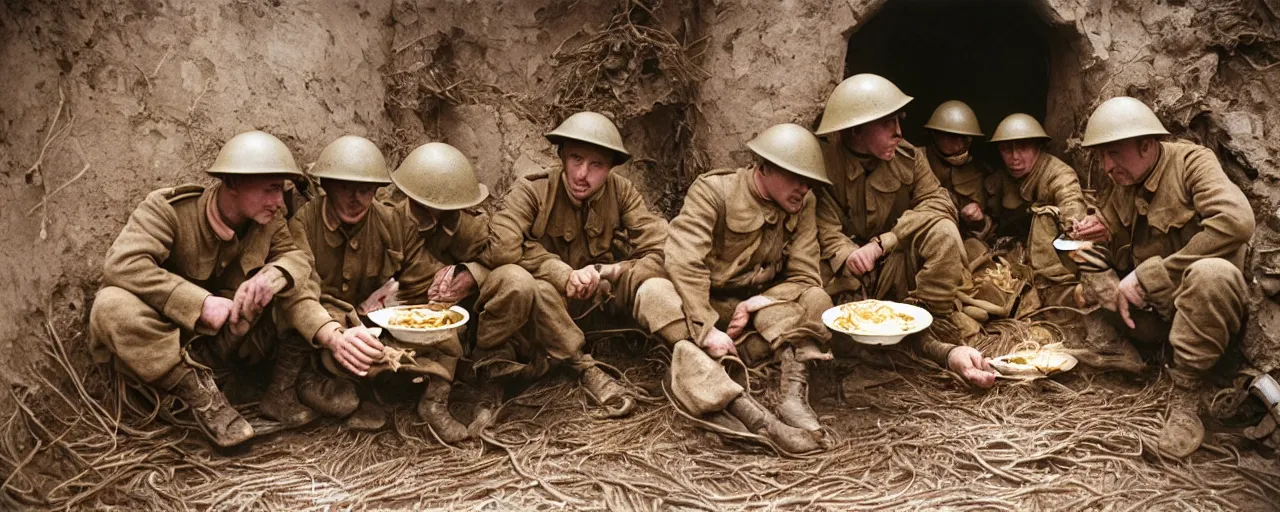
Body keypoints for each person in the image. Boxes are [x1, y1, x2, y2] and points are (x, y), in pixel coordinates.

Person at [88, 130, 367, 447]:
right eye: (271, 189)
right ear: (232, 183)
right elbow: (122, 264)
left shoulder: (270, 222)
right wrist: (200, 303)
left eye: (282, 190)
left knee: (296, 283)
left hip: (237, 343)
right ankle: (200, 395)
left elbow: (299, 262)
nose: (279, 202)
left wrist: (275, 275)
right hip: (170, 345)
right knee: (111, 304)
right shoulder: (169, 210)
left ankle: (277, 389)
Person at [1073, 96, 1254, 458]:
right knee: (1077, 252)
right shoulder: (1125, 179)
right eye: (1101, 156)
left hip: (1204, 309)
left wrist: (1150, 275)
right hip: (1154, 311)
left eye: (1114, 153)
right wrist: (1101, 229)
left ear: (1147, 143)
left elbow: (1237, 222)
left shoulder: (1191, 163)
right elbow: (1116, 227)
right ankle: (1123, 345)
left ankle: (1187, 400)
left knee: (1211, 274)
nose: (1107, 166)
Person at [483, 111, 686, 417]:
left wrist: (612, 271)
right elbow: (500, 250)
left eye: (596, 165)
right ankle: (584, 367)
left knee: (652, 282)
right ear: (561, 156)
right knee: (528, 285)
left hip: (596, 305)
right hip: (547, 307)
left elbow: (665, 248)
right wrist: (562, 274)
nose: (582, 174)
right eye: (576, 159)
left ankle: (690, 355)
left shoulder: (621, 192)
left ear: (610, 168)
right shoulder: (533, 189)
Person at [288, 137, 478, 441]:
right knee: (338, 387)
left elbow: (420, 281)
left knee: (443, 321)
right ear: (327, 185)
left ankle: (434, 400)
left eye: (365, 190)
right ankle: (312, 382)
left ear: (376, 191)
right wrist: (333, 334)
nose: (356, 199)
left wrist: (447, 287)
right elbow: (299, 294)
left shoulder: (392, 222)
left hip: (375, 324)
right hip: (329, 329)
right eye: (345, 187)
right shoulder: (304, 224)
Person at [813, 73, 996, 389]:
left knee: (943, 231)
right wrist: (850, 255)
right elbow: (824, 226)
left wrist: (886, 242)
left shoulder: (910, 158)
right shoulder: (825, 163)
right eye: (887, 124)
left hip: (899, 264)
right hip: (851, 275)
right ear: (856, 128)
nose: (899, 132)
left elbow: (939, 203)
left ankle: (931, 319)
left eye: (900, 121)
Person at [664, 123, 835, 455]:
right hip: (707, 305)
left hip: (756, 311)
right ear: (764, 167)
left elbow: (804, 276)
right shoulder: (715, 191)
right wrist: (706, 328)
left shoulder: (804, 202)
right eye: (795, 177)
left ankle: (791, 397)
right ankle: (758, 421)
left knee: (817, 298)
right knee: (659, 298)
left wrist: (758, 301)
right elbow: (684, 262)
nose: (803, 188)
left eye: (808, 180)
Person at [986, 113, 1094, 307]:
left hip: (1058, 256)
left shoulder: (1058, 173)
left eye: (1023, 148)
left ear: (1038, 147)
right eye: (1006, 149)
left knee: (1045, 215)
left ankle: (1055, 290)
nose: (1014, 158)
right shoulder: (1001, 177)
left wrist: (1072, 226)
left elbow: (1071, 204)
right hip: (1018, 251)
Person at [921, 100, 992, 238]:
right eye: (952, 137)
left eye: (965, 137)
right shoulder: (915, 161)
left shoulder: (980, 171)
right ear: (935, 135)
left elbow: (993, 227)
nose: (960, 144)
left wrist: (980, 222)